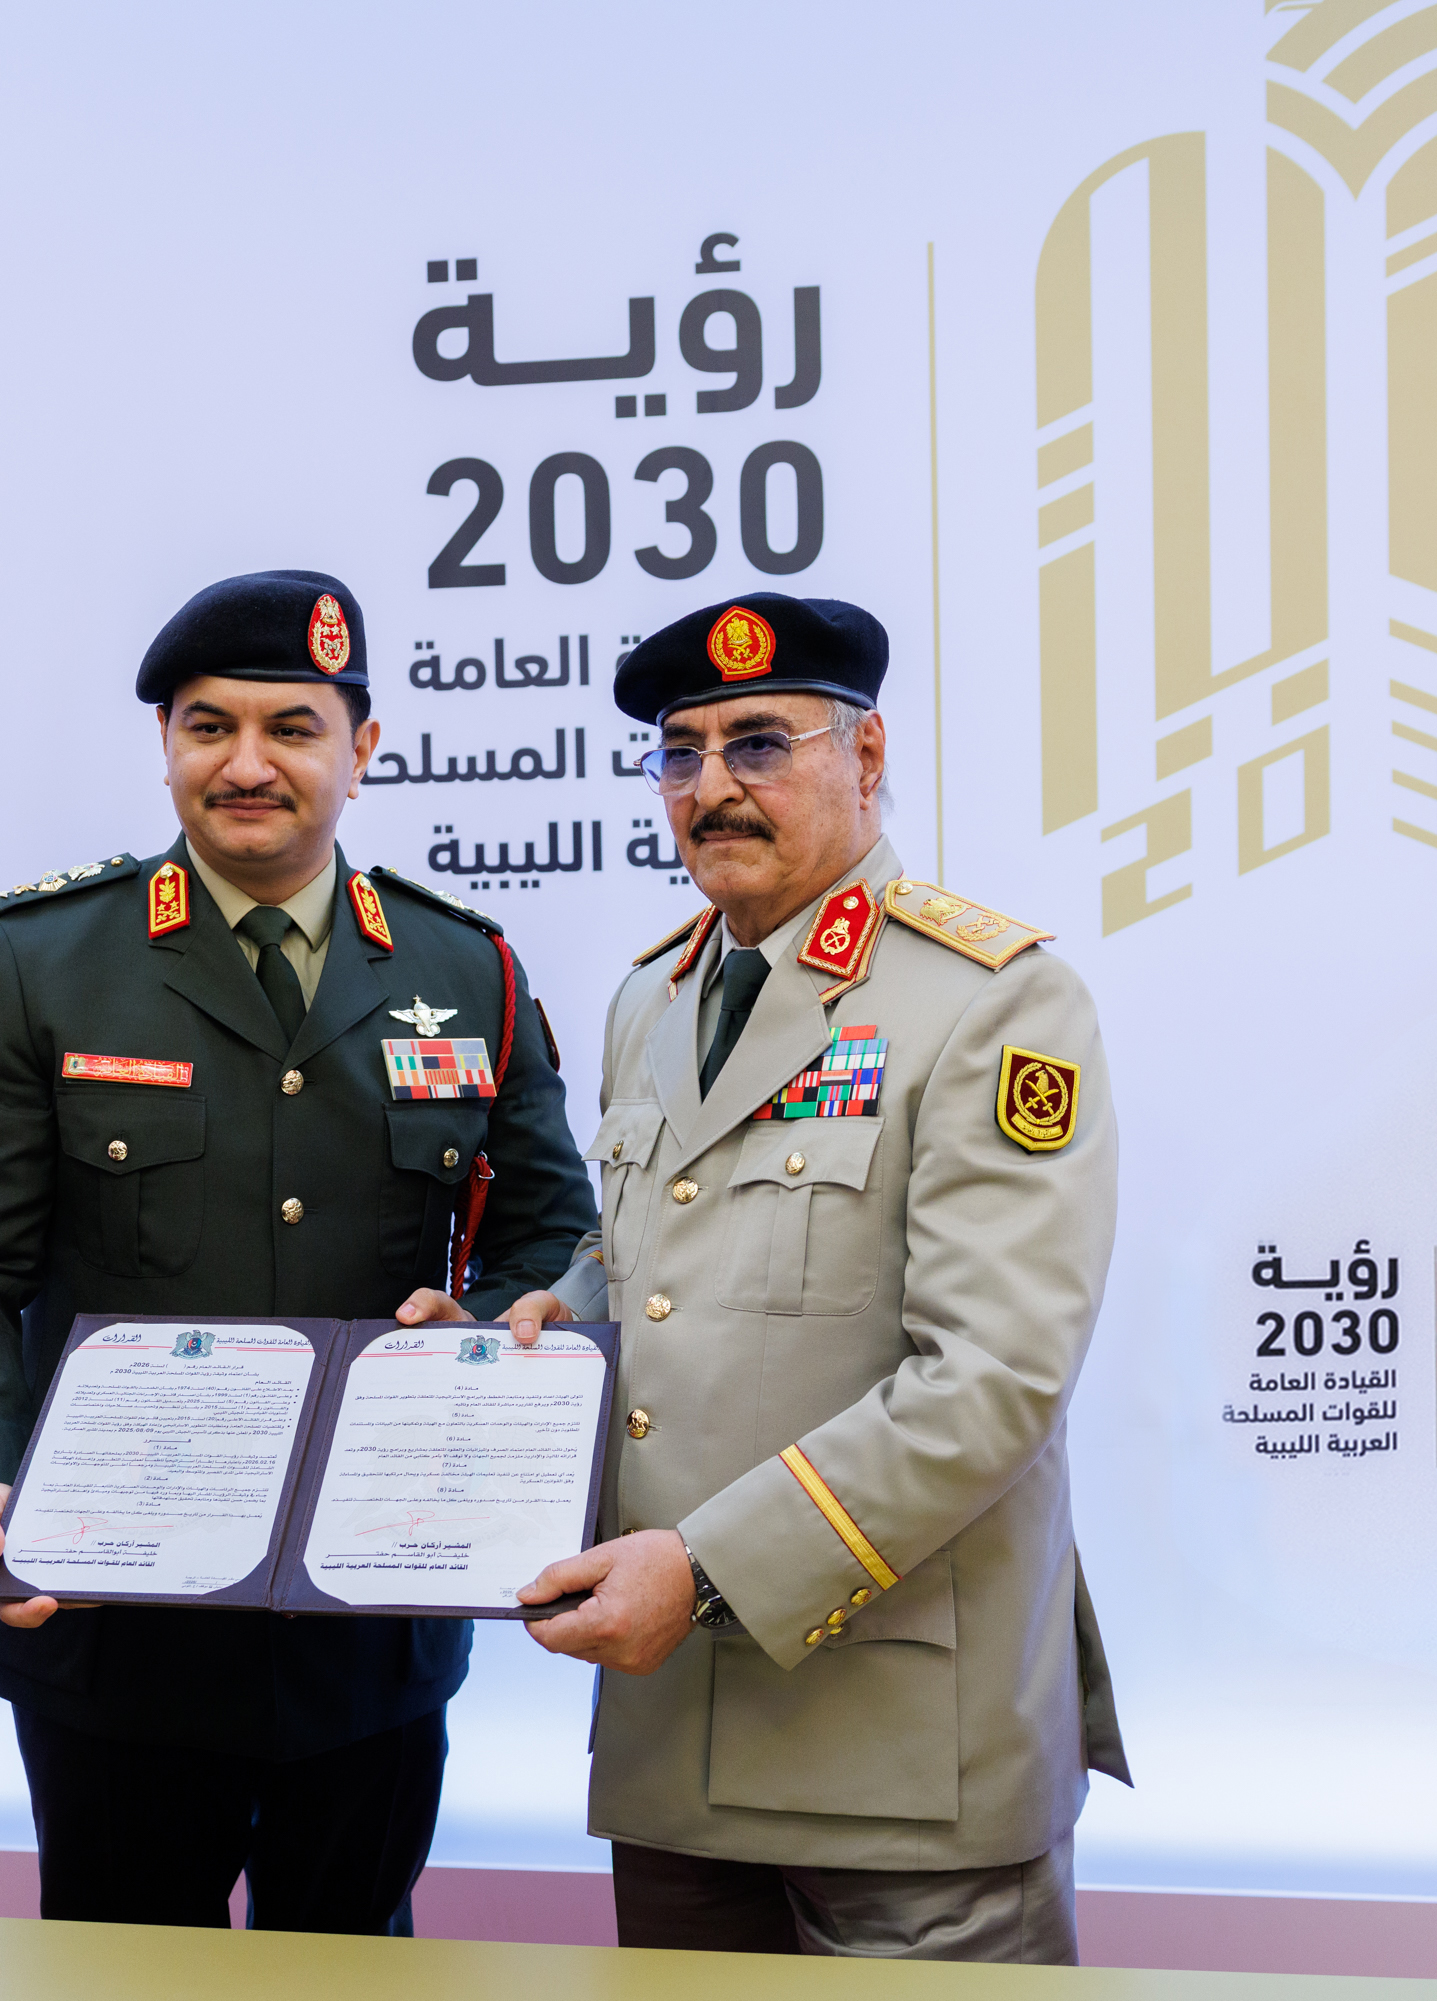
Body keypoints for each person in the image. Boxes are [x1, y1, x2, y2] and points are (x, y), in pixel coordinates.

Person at [0, 569, 597, 1935]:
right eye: (209, 726)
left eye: (293, 727)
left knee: (356, 1971)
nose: (248, 763)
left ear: (362, 748)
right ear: (165, 745)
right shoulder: (45, 960)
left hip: (372, 1630)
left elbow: (551, 1232)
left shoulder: (467, 969)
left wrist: (487, 1329)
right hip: (113, 1627)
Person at [498, 592, 1131, 1962]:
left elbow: (993, 1380)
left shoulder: (990, 999)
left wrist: (706, 1571)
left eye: (759, 743)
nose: (712, 786)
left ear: (866, 753)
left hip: (897, 1749)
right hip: (671, 1733)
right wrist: (532, 1335)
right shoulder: (652, 997)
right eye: (680, 752)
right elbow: (645, 1259)